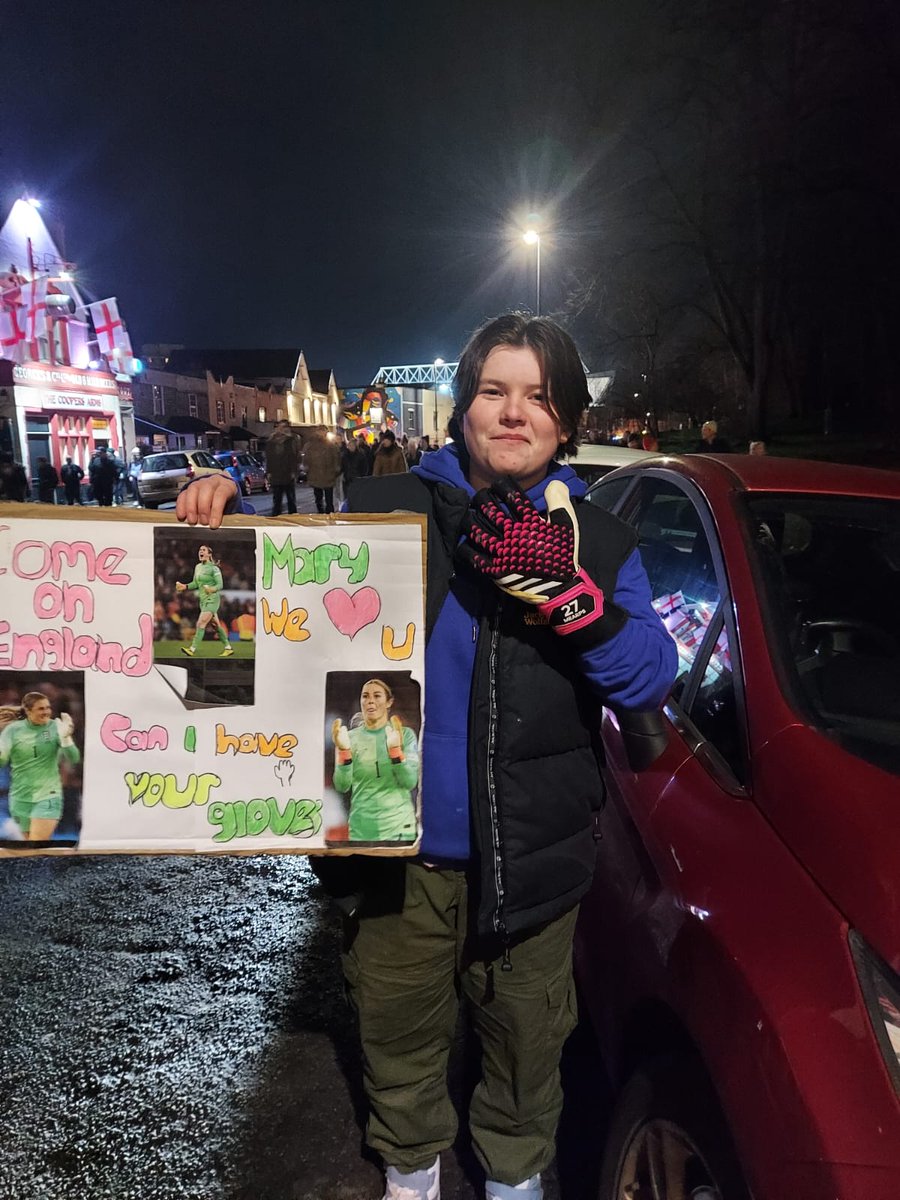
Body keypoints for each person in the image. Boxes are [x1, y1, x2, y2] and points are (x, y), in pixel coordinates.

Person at [174, 312, 677, 1200]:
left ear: (566, 421)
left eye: (538, 397)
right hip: (391, 851)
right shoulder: (384, 511)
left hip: (535, 857)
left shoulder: (598, 541)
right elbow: (268, 586)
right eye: (494, 392)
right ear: (463, 409)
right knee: (397, 1038)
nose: (514, 413)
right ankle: (412, 1178)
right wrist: (220, 498)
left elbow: (646, 677)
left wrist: (578, 604)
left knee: (527, 1051)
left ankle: (515, 1181)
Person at [330, 679, 419, 843]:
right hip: (361, 830)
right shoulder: (348, 738)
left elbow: (410, 781)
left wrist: (395, 751)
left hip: (399, 829)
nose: (370, 700)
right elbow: (342, 785)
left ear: (389, 702)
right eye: (365, 696)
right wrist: (344, 752)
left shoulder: (405, 735)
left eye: (377, 696)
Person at [0, 692, 80, 842]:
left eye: (47, 708)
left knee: (30, 844)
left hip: (42, 797)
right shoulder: (12, 733)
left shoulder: (53, 733)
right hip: (15, 801)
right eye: (41, 709)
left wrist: (66, 739)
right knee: (23, 844)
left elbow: (72, 759)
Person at [175, 544, 233, 658]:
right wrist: (185, 586)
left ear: (209, 554)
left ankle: (192, 649)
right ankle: (228, 648)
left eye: (203, 550)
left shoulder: (214, 568)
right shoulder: (198, 567)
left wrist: (212, 589)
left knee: (200, 623)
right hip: (203, 600)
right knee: (216, 625)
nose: (200, 552)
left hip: (212, 599)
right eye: (200, 550)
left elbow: (220, 584)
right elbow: (196, 583)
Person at [265, 419, 302, 515]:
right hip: (276, 473)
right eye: (279, 427)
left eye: (283, 427)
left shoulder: (292, 440)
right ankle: (276, 519)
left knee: (291, 499)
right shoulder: (271, 441)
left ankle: (293, 519)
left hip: (288, 473)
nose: (281, 429)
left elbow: (296, 456)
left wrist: (294, 472)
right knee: (277, 500)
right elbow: (269, 458)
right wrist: (268, 472)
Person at [304, 425, 342, 514]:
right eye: (320, 431)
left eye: (324, 431)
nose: (322, 433)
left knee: (329, 500)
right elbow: (306, 458)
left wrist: (336, 470)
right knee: (318, 499)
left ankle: (329, 514)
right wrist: (307, 468)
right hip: (316, 475)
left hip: (328, 475)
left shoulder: (331, 446)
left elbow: (336, 458)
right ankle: (321, 513)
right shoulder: (311, 445)